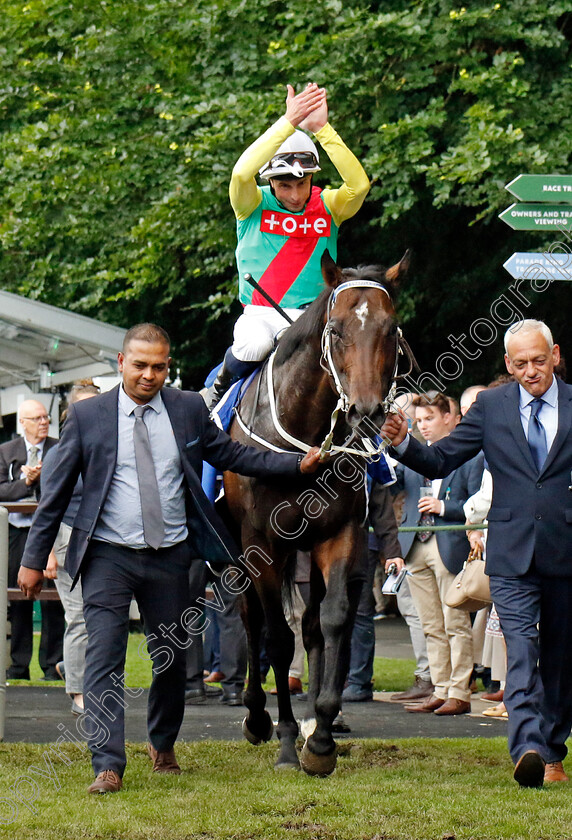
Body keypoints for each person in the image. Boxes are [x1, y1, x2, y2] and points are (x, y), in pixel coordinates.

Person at [17, 323, 322, 795]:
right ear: (121, 363)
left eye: (159, 366)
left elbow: (231, 454)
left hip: (170, 556)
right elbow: (54, 495)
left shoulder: (187, 409)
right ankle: (108, 764)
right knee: (104, 658)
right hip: (107, 556)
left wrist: (293, 464)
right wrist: (34, 560)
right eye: (139, 365)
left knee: (171, 659)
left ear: (168, 367)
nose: (149, 375)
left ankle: (162, 745)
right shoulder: (88, 417)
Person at [381, 319, 572, 787]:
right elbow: (442, 459)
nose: (531, 371)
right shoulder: (491, 406)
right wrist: (403, 442)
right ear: (507, 363)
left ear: (556, 356)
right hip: (509, 554)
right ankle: (527, 746)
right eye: (521, 363)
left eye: (539, 361)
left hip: (565, 551)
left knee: (562, 660)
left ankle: (552, 750)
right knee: (522, 650)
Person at [209, 82, 370, 404]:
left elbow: (359, 184)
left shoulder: (329, 204)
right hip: (261, 313)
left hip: (316, 314)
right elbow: (241, 174)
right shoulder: (251, 204)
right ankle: (217, 394)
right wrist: (289, 122)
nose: (295, 195)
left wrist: (322, 129)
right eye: (284, 185)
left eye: (302, 183)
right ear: (269, 180)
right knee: (253, 346)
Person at [391, 393, 483, 717]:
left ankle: (460, 691)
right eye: (418, 420)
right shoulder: (415, 456)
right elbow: (390, 484)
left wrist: (444, 506)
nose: (422, 426)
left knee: (455, 622)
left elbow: (479, 504)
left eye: (429, 418)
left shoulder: (471, 456)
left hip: (450, 544)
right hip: (417, 544)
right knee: (431, 624)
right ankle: (440, 688)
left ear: (450, 417)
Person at [41, 380, 101, 715]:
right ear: (72, 413)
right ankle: (78, 692)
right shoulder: (60, 453)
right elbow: (47, 507)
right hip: (67, 540)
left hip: (102, 541)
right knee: (79, 616)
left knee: (99, 618)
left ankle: (74, 668)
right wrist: (47, 552)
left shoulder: (107, 448)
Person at [0, 399, 63, 680]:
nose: (43, 422)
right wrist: (25, 483)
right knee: (19, 595)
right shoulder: (6, 452)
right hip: (17, 531)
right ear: (22, 423)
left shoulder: (59, 448)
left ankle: (52, 665)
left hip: (51, 531)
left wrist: (41, 478)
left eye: (45, 417)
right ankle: (19, 665)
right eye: (36, 418)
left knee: (53, 599)